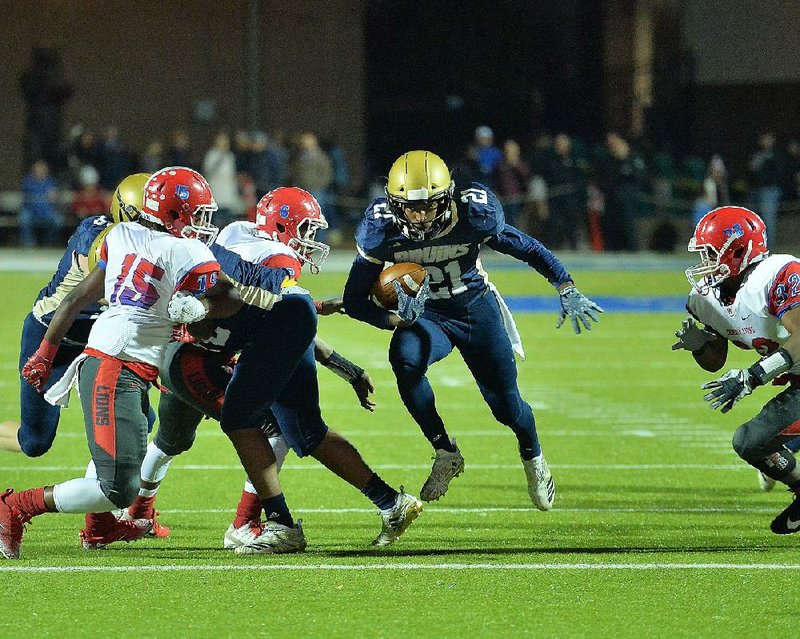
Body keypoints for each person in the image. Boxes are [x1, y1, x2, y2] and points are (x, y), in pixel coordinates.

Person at [129, 187, 422, 553]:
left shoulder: (244, 238)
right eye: (306, 230)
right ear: (282, 224)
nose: (311, 241)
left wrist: (340, 363)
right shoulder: (262, 251)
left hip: (243, 340)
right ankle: (388, 504)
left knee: (252, 423)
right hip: (217, 350)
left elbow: (273, 305)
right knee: (293, 430)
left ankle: (276, 525)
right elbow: (268, 308)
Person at [0, 167, 242, 559]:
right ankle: (15, 506)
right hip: (116, 363)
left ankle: (98, 526)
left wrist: (46, 354)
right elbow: (230, 298)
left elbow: (79, 298)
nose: (203, 223)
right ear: (175, 214)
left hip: (116, 358)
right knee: (116, 487)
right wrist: (202, 306)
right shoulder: (185, 250)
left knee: (128, 444)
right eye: (196, 213)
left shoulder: (121, 235)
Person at [343, 150, 603, 508]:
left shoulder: (474, 213)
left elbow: (526, 247)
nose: (418, 217)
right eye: (409, 207)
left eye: (428, 206)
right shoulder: (380, 229)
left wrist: (565, 284)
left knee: (506, 407)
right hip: (428, 316)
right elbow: (355, 300)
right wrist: (396, 319)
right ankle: (445, 451)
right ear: (393, 203)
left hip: (474, 308)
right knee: (404, 359)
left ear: (448, 197)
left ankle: (534, 455)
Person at [0, 173, 150, 456]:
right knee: (34, 442)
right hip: (52, 337)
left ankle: (115, 491)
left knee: (142, 420)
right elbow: (109, 289)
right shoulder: (96, 235)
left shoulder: (152, 245)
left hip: (98, 345)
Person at [671, 205, 800, 534]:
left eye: (711, 254)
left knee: (757, 439)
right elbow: (716, 360)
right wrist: (700, 344)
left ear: (740, 250)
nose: (704, 264)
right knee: (750, 441)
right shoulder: (710, 297)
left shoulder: (776, 275)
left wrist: (752, 377)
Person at [18, 160, 61, 247]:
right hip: (30, 211)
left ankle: (48, 243)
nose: (40, 171)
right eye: (38, 169)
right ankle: (29, 244)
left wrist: (53, 196)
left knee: (57, 221)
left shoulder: (51, 182)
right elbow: (26, 196)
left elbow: (54, 197)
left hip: (47, 211)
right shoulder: (28, 182)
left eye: (42, 169)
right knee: (23, 219)